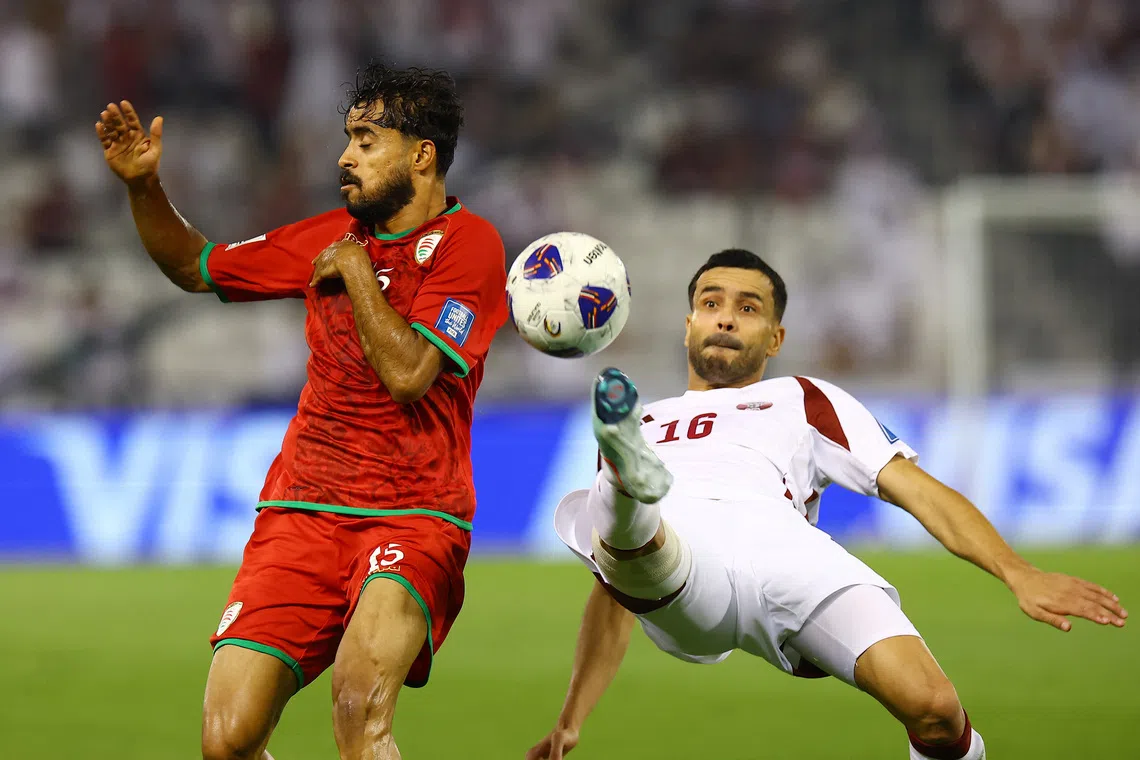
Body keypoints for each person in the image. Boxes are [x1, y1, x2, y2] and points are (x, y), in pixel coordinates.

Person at [527, 248, 1128, 760]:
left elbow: (919, 492)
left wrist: (1017, 572)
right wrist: (572, 717)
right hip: (684, 562)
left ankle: (629, 483)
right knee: (629, 530)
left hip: (786, 554)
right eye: (711, 303)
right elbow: (610, 592)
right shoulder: (651, 415)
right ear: (688, 324)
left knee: (936, 709)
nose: (726, 319)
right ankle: (630, 477)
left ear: (776, 337)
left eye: (748, 308)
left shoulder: (803, 398)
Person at [96, 63, 508, 760]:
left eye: (367, 141)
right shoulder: (334, 233)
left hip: (413, 514)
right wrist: (143, 187)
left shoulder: (470, 246)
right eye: (348, 138)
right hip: (301, 511)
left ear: (422, 155)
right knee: (228, 740)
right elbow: (196, 266)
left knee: (357, 706)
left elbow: (410, 375)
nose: (345, 156)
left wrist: (352, 269)